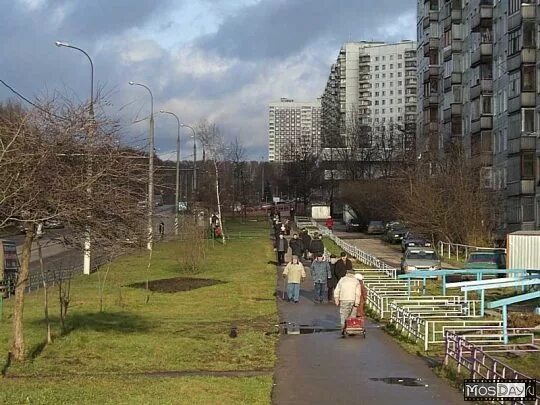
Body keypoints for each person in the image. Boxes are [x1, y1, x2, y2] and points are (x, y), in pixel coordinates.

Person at [334, 269, 361, 336]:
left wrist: (336, 299)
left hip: (343, 299)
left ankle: (343, 328)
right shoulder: (356, 281)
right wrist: (357, 303)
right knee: (352, 315)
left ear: (347, 273)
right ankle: (351, 330)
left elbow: (337, 290)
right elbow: (358, 293)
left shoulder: (342, 280)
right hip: (353, 300)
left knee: (343, 315)